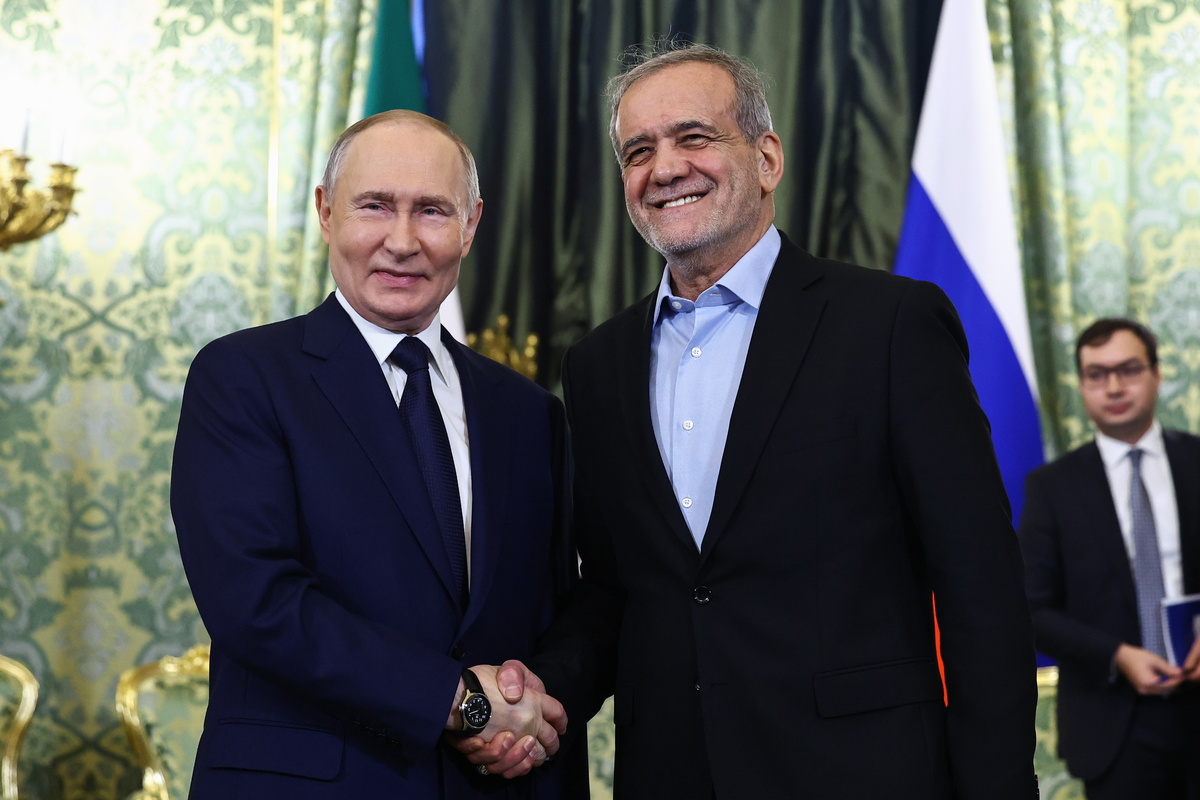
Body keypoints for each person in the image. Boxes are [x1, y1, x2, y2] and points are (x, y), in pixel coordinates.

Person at [466, 42, 1037, 799]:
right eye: (639, 151)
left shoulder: (890, 325)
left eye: (693, 137)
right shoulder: (598, 366)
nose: (665, 168)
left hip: (864, 776)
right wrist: (535, 695)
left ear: (766, 159)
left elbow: (980, 588)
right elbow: (614, 590)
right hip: (673, 777)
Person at [171, 110, 587, 799]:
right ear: (325, 212)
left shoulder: (528, 411)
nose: (402, 241)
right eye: (375, 206)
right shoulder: (243, 377)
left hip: (494, 783)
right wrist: (458, 701)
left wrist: (528, 714)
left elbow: (560, 607)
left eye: (432, 210)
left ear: (471, 226)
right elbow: (255, 599)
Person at [1019, 318, 1200, 799]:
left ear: (1157, 373)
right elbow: (1031, 608)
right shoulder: (1052, 488)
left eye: (1128, 369)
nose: (1114, 387)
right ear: (1082, 386)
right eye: (1097, 375)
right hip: (1113, 724)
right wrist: (1118, 656)